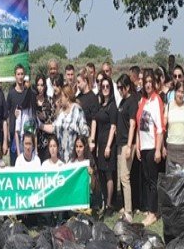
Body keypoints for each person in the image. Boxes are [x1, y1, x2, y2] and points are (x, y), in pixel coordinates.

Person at [135, 73, 164, 227]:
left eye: (150, 82)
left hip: (153, 145)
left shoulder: (156, 100)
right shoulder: (143, 101)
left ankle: (153, 213)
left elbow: (160, 127)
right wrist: (138, 144)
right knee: (146, 179)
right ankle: (151, 208)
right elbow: (140, 125)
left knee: (153, 181)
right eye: (145, 82)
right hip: (144, 146)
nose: (147, 85)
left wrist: (158, 149)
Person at [39, 84, 88, 164]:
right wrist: (40, 125)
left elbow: (84, 131)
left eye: (62, 96)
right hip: (62, 158)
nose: (60, 99)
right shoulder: (61, 113)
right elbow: (54, 128)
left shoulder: (77, 110)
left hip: (74, 157)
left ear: (67, 97)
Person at [90, 75, 117, 213]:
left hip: (108, 144)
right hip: (100, 143)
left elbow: (113, 126)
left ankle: (109, 204)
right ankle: (104, 201)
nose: (105, 89)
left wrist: (108, 146)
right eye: (103, 86)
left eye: (108, 86)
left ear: (111, 89)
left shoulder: (112, 106)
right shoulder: (101, 105)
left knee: (108, 174)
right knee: (101, 172)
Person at [115, 74, 139, 222]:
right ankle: (125, 206)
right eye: (117, 87)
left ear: (127, 87)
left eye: (121, 87)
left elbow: (132, 125)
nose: (119, 90)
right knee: (122, 177)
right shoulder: (122, 101)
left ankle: (129, 211)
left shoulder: (131, 102)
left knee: (125, 177)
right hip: (120, 143)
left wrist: (130, 146)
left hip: (126, 144)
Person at [164, 79, 184, 171]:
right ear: (175, 92)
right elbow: (164, 127)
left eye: (182, 92)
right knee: (171, 181)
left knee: (183, 180)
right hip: (171, 147)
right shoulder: (168, 106)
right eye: (178, 91)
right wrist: (162, 147)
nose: (180, 94)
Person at [6, 64, 30, 165]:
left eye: (22, 74)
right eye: (18, 74)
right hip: (13, 135)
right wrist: (7, 133)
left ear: (24, 76)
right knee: (14, 163)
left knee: (26, 163)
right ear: (15, 76)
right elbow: (7, 114)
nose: (20, 76)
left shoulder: (27, 93)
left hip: (26, 135)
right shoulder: (11, 94)